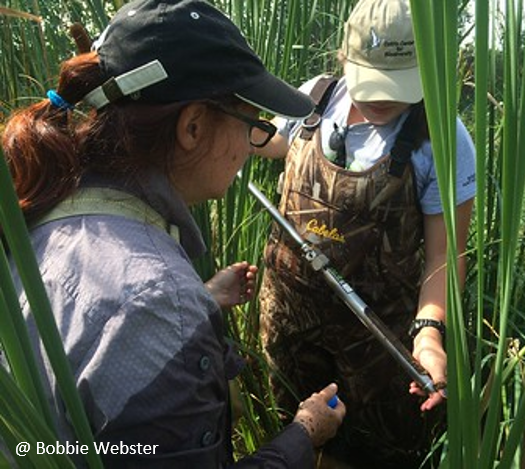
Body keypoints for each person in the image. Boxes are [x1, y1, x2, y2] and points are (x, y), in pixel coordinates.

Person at [2, 0, 345, 468]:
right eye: (251, 124)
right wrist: (305, 434)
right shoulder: (159, 299)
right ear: (194, 126)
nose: (252, 144)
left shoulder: (42, 208)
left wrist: (202, 299)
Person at [254, 0, 475, 468]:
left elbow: (444, 256)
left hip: (372, 338)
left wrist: (430, 336)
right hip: (288, 322)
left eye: (398, 86)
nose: (380, 99)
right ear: (344, 59)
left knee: (368, 450)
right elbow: (270, 142)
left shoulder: (444, 139)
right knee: (292, 434)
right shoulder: (313, 98)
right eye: (369, 81)